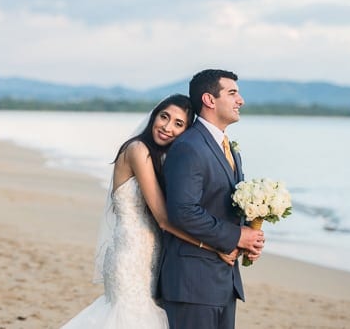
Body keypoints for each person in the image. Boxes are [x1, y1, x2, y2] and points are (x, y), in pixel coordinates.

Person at [60, 94, 238, 329]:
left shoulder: (164, 158)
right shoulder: (137, 150)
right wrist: (216, 246)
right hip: (131, 255)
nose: (167, 127)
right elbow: (164, 219)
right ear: (154, 116)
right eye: (164, 117)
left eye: (178, 124)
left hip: (154, 257)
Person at [158, 70, 265, 329]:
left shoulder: (228, 147)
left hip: (221, 281)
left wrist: (250, 236)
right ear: (209, 99)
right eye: (232, 93)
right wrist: (236, 236)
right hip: (192, 284)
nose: (240, 100)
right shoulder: (189, 146)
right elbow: (183, 211)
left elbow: (221, 204)